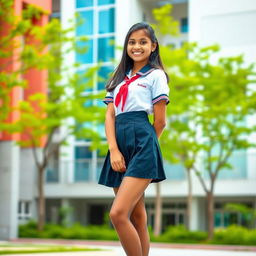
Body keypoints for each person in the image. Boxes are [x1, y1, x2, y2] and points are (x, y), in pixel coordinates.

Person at [98, 22, 170, 256]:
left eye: (142, 42)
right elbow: (110, 115)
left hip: (142, 141)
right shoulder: (118, 77)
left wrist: (147, 147)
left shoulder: (156, 75)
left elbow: (160, 122)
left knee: (117, 214)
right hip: (118, 144)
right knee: (137, 216)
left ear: (153, 46)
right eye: (132, 42)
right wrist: (114, 149)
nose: (136, 46)